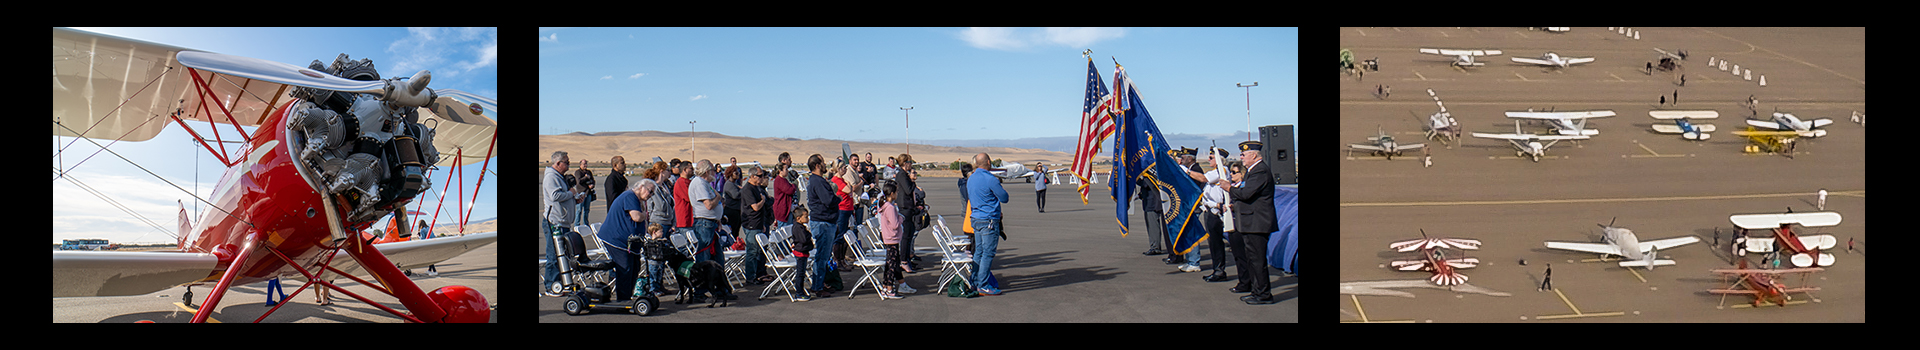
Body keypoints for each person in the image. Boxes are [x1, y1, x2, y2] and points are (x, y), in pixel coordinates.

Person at [1221, 141, 1278, 305]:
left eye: (1244, 154)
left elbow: (1246, 193)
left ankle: (1263, 294)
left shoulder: (1260, 171)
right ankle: (1256, 291)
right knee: (1252, 259)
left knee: (1257, 260)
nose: (1241, 158)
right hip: (1250, 222)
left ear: (1253, 155)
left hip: (1257, 223)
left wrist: (1229, 188)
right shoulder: (1253, 171)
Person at [601, 178, 652, 304]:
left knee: (635, 268)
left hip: (630, 242)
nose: (650, 195)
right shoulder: (630, 196)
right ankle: (623, 301)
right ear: (641, 187)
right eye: (650, 191)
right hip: (617, 240)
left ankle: (627, 297)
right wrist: (645, 215)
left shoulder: (637, 199)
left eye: (652, 193)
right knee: (625, 268)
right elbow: (636, 216)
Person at [967, 153, 1010, 296]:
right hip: (988, 220)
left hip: (976, 218)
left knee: (979, 251)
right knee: (988, 252)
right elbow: (1004, 198)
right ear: (988, 162)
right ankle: (983, 284)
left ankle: (975, 280)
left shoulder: (971, 178)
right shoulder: (990, 179)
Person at [543, 151, 583, 297]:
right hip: (555, 222)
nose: (568, 164)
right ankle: (551, 285)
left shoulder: (559, 177)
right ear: (558, 163)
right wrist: (571, 193)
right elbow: (555, 196)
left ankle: (561, 283)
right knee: (554, 254)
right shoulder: (551, 177)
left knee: (563, 254)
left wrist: (575, 199)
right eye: (566, 162)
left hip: (563, 221)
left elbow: (564, 195)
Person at [804, 154, 842, 297]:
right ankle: (817, 287)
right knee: (821, 256)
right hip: (823, 222)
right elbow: (827, 200)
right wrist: (836, 199)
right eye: (823, 163)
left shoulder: (818, 180)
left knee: (824, 256)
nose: (826, 165)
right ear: (818, 165)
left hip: (826, 221)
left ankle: (820, 283)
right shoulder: (817, 181)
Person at [740, 167, 773, 284]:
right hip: (751, 224)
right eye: (760, 176)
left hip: (758, 223)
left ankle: (756, 274)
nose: (762, 178)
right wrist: (763, 200)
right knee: (752, 252)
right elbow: (755, 207)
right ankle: (750, 277)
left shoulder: (756, 188)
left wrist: (762, 224)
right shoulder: (748, 189)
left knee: (758, 251)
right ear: (753, 176)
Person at [876, 182, 904, 300]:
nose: (897, 194)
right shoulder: (890, 208)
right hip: (892, 238)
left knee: (889, 264)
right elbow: (895, 224)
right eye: (896, 192)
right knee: (892, 265)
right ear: (892, 194)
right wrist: (901, 218)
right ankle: (889, 289)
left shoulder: (884, 206)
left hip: (888, 238)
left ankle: (885, 286)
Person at [789, 207, 815, 302]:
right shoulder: (798, 228)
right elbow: (803, 239)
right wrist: (808, 235)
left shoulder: (801, 227)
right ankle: (799, 293)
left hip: (803, 252)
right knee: (800, 274)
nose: (807, 219)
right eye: (806, 217)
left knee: (802, 273)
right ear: (798, 218)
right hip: (800, 253)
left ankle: (800, 291)